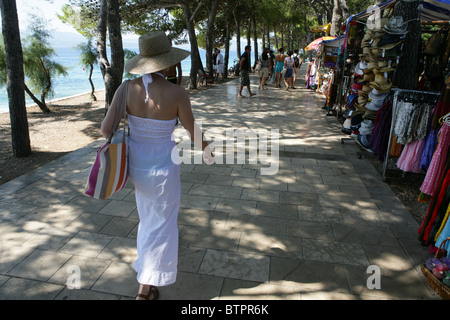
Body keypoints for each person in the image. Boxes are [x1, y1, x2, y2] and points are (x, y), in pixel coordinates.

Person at [101, 31, 214, 300]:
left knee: (149, 220)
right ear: (169, 63)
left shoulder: (126, 88)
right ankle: (145, 288)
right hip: (164, 167)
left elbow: (106, 129)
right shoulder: (177, 94)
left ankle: (146, 273)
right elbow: (192, 131)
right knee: (161, 225)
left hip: (136, 168)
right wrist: (209, 152)